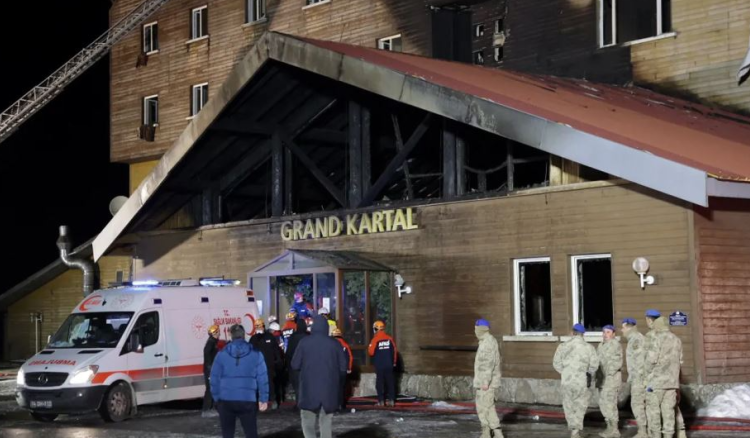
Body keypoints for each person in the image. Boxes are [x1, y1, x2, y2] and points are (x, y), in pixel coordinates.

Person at [291, 315, 348, 438]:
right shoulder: (335, 344)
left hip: (309, 389)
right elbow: (343, 367)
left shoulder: (304, 342)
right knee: (326, 420)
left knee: (307, 419)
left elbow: (295, 364)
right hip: (329, 389)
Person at [210, 324, 269, 438]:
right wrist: (263, 399)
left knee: (227, 434)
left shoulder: (221, 354)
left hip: (226, 399)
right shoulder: (256, 354)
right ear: (243, 335)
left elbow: (214, 378)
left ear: (230, 335)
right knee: (251, 433)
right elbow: (263, 378)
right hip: (247, 399)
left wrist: (216, 398)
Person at [641, 310, 683, 438]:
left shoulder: (656, 338)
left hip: (656, 383)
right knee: (668, 413)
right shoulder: (677, 340)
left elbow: (651, 360)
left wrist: (645, 377)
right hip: (671, 384)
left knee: (654, 413)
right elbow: (680, 361)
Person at [553, 323, 599, 438]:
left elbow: (556, 363)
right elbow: (594, 366)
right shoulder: (589, 348)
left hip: (567, 381)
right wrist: (586, 372)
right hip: (581, 382)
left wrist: (566, 372)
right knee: (580, 406)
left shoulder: (563, 346)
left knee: (568, 405)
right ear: (583, 334)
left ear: (572, 332)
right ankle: (575, 432)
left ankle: (572, 428)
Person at [473, 319, 503, 438]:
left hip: (486, 383)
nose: (475, 331)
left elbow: (488, 363)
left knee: (486, 407)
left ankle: (495, 433)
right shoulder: (486, 341)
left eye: (475, 328)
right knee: (485, 407)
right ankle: (489, 432)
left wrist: (485, 382)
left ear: (480, 329)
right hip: (484, 381)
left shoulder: (487, 343)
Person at [622, 317, 647, 438]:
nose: (622, 330)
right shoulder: (635, 338)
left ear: (628, 327)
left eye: (623, 327)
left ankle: (643, 432)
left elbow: (640, 361)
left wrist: (636, 379)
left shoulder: (636, 339)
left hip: (639, 379)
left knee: (637, 405)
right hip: (639, 378)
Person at [250, 318, 283, 409]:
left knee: (270, 383)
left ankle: (272, 400)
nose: (259, 329)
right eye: (257, 327)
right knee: (258, 384)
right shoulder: (253, 339)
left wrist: (278, 360)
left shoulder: (270, 337)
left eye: (260, 327)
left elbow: (276, 349)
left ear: (263, 327)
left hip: (269, 365)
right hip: (257, 366)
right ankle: (259, 401)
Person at [597, 324, 623, 438]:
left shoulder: (615, 344)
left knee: (610, 405)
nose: (605, 334)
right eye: (604, 332)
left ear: (613, 334)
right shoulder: (601, 345)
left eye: (608, 332)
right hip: (601, 381)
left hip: (611, 380)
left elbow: (617, 363)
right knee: (603, 404)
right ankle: (609, 428)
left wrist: (606, 373)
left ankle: (615, 430)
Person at [367, 320, 398, 407]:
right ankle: (391, 400)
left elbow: (371, 352)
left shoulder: (375, 340)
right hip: (389, 364)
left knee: (380, 383)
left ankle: (381, 401)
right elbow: (394, 351)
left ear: (375, 329)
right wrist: (394, 362)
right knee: (390, 382)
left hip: (379, 365)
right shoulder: (389, 339)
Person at [286, 318, 309, 405]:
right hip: (306, 365)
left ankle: (299, 403)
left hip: (295, 365)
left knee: (297, 386)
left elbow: (289, 352)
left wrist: (288, 365)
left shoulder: (293, 337)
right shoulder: (308, 336)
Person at [331, 326, 353, 409]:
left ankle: (334, 404)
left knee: (333, 387)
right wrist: (349, 368)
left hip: (333, 370)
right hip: (343, 370)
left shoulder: (331, 345)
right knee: (342, 387)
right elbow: (350, 357)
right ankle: (341, 404)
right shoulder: (345, 344)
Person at [202, 324, 221, 417]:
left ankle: (212, 408)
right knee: (210, 390)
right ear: (215, 333)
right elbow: (208, 357)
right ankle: (206, 410)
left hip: (211, 370)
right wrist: (210, 370)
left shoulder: (213, 342)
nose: (219, 334)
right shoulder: (211, 343)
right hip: (210, 371)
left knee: (213, 389)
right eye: (218, 332)